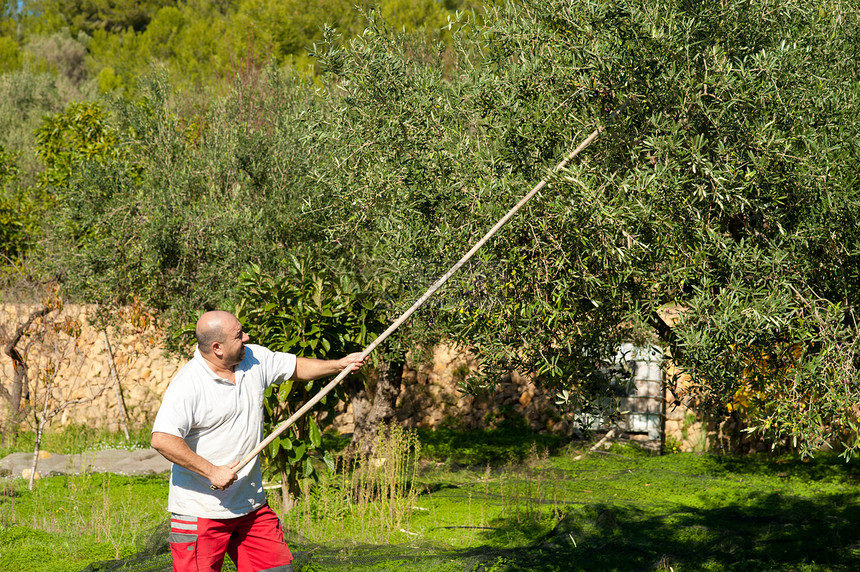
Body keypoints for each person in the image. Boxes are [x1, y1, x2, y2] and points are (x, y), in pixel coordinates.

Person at [151, 310, 365, 572]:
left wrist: (339, 364)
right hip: (202, 512)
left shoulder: (253, 358)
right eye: (238, 335)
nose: (246, 337)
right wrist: (212, 471)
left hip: (250, 506)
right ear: (217, 348)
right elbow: (162, 439)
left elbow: (296, 366)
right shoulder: (189, 385)